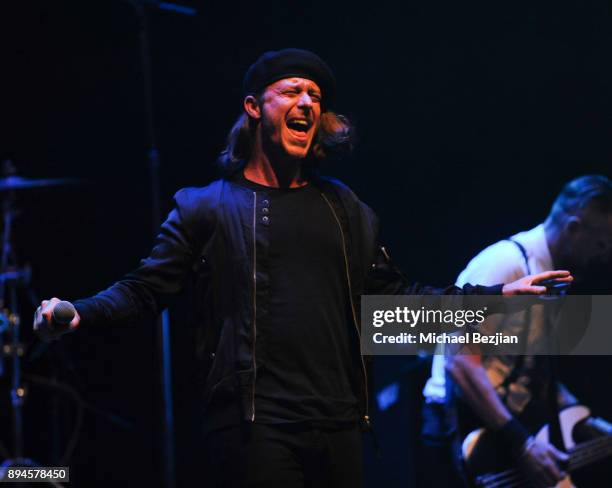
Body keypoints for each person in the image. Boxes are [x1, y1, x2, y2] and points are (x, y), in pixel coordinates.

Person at [34, 48, 571, 488]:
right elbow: (145, 290)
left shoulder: (345, 210)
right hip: (254, 428)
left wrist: (494, 300)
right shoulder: (206, 207)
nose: (308, 102)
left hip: (339, 425)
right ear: (253, 107)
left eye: (316, 96)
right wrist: (78, 312)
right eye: (292, 91)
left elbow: (398, 306)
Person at [422, 175, 612, 488]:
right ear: (574, 229)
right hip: (460, 431)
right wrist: (521, 444)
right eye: (603, 244)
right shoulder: (504, 264)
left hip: (501, 428)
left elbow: (533, 372)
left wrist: (588, 422)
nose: (605, 256)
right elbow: (459, 362)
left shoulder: (553, 279)